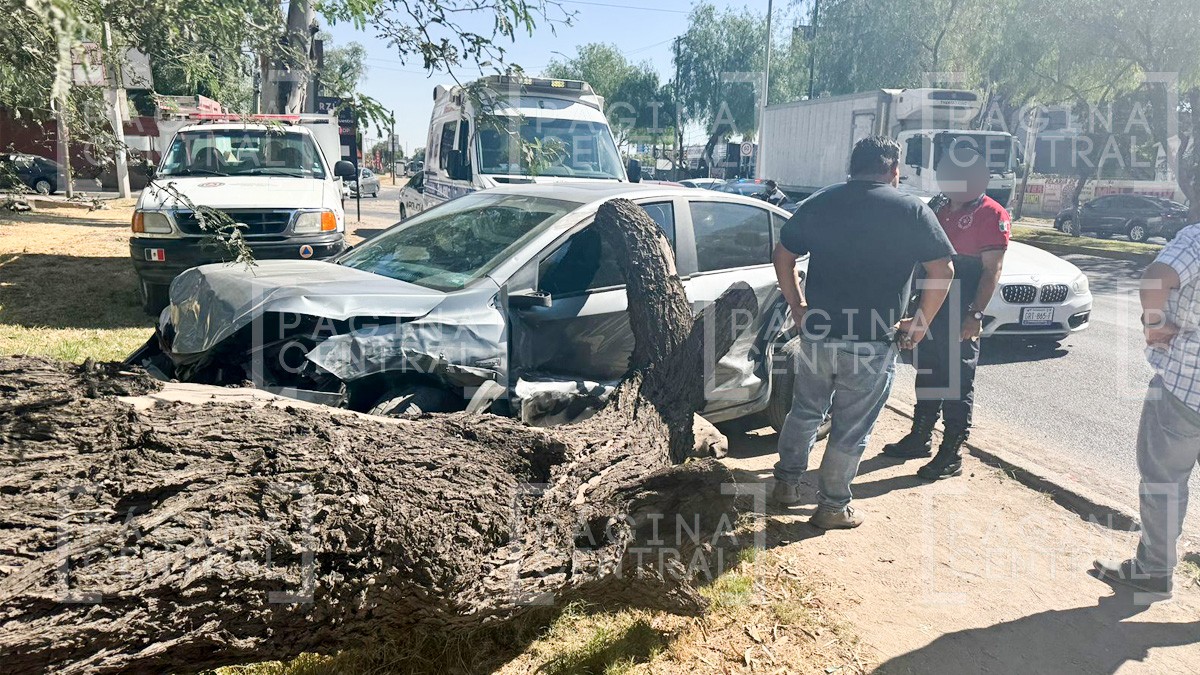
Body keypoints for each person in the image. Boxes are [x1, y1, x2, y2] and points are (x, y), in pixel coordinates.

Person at [771, 135, 955, 529]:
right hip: (871, 340)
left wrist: (798, 306)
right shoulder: (911, 210)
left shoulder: (821, 202)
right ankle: (832, 507)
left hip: (818, 333)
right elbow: (943, 270)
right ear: (894, 170)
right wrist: (918, 323)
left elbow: (783, 255)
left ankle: (786, 485)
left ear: (852, 167)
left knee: (804, 411)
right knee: (851, 427)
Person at [882, 149, 1009, 480]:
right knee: (928, 372)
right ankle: (920, 436)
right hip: (931, 301)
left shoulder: (991, 213)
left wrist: (975, 315)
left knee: (956, 381)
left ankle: (952, 452)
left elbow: (992, 270)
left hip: (961, 305)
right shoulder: (938, 206)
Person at [1094, 224, 1200, 598]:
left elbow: (1156, 278)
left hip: (1186, 387)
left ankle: (1154, 570)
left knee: (1163, 481)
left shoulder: (1196, 239)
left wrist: (1153, 321)